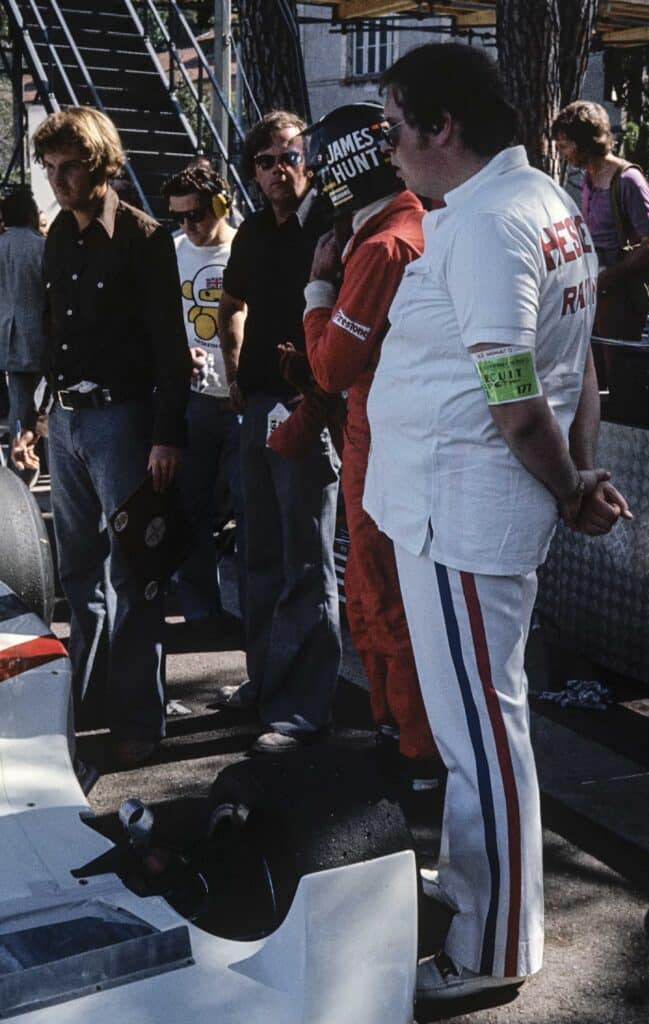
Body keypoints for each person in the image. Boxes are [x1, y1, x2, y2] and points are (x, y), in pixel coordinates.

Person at [363, 44, 631, 1001]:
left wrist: (567, 483)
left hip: (463, 512)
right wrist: (580, 469)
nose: (385, 147)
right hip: (467, 505)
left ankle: (491, 948)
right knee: (483, 723)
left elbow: (515, 393)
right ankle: (487, 888)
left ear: (444, 129)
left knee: (480, 734)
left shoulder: (484, 226)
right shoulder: (544, 203)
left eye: (394, 127)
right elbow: (581, 361)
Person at [14, 107, 190, 768]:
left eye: (71, 166)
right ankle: (85, 706)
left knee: (137, 574)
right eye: (50, 168)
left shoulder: (143, 238)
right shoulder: (57, 233)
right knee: (77, 575)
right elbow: (51, 330)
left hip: (125, 423)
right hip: (67, 421)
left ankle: (138, 719)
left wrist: (166, 437)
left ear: (101, 165)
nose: (58, 180)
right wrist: (35, 417)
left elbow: (172, 350)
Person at [275, 102, 438, 784]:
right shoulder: (393, 229)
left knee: (382, 589)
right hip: (381, 428)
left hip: (386, 435)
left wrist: (316, 292)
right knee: (372, 587)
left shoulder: (383, 243)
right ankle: (393, 726)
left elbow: (333, 365)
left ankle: (410, 745)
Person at [218, 111, 340, 752]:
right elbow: (230, 304)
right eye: (264, 161)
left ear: (309, 160)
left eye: (288, 156)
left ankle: (305, 705)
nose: (276, 170)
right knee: (258, 554)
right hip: (259, 404)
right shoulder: (254, 235)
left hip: (309, 406)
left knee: (308, 561)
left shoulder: (330, 229)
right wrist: (233, 369)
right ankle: (264, 682)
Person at [161, 164, 245, 623]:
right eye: (179, 217)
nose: (188, 226)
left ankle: (253, 618)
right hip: (193, 399)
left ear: (220, 205)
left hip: (238, 399)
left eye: (195, 215)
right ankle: (200, 615)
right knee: (191, 510)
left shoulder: (244, 248)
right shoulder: (171, 253)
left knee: (249, 512)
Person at [552, 100, 649, 342]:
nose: (562, 154)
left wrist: (608, 276)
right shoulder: (588, 178)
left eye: (565, 146)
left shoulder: (627, 180)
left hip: (621, 294)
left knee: (616, 369)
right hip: (592, 290)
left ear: (585, 143)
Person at [0, 188, 47, 480]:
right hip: (42, 338)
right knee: (45, 405)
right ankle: (34, 457)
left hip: (7, 340)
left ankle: (20, 472)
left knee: (19, 407)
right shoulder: (41, 247)